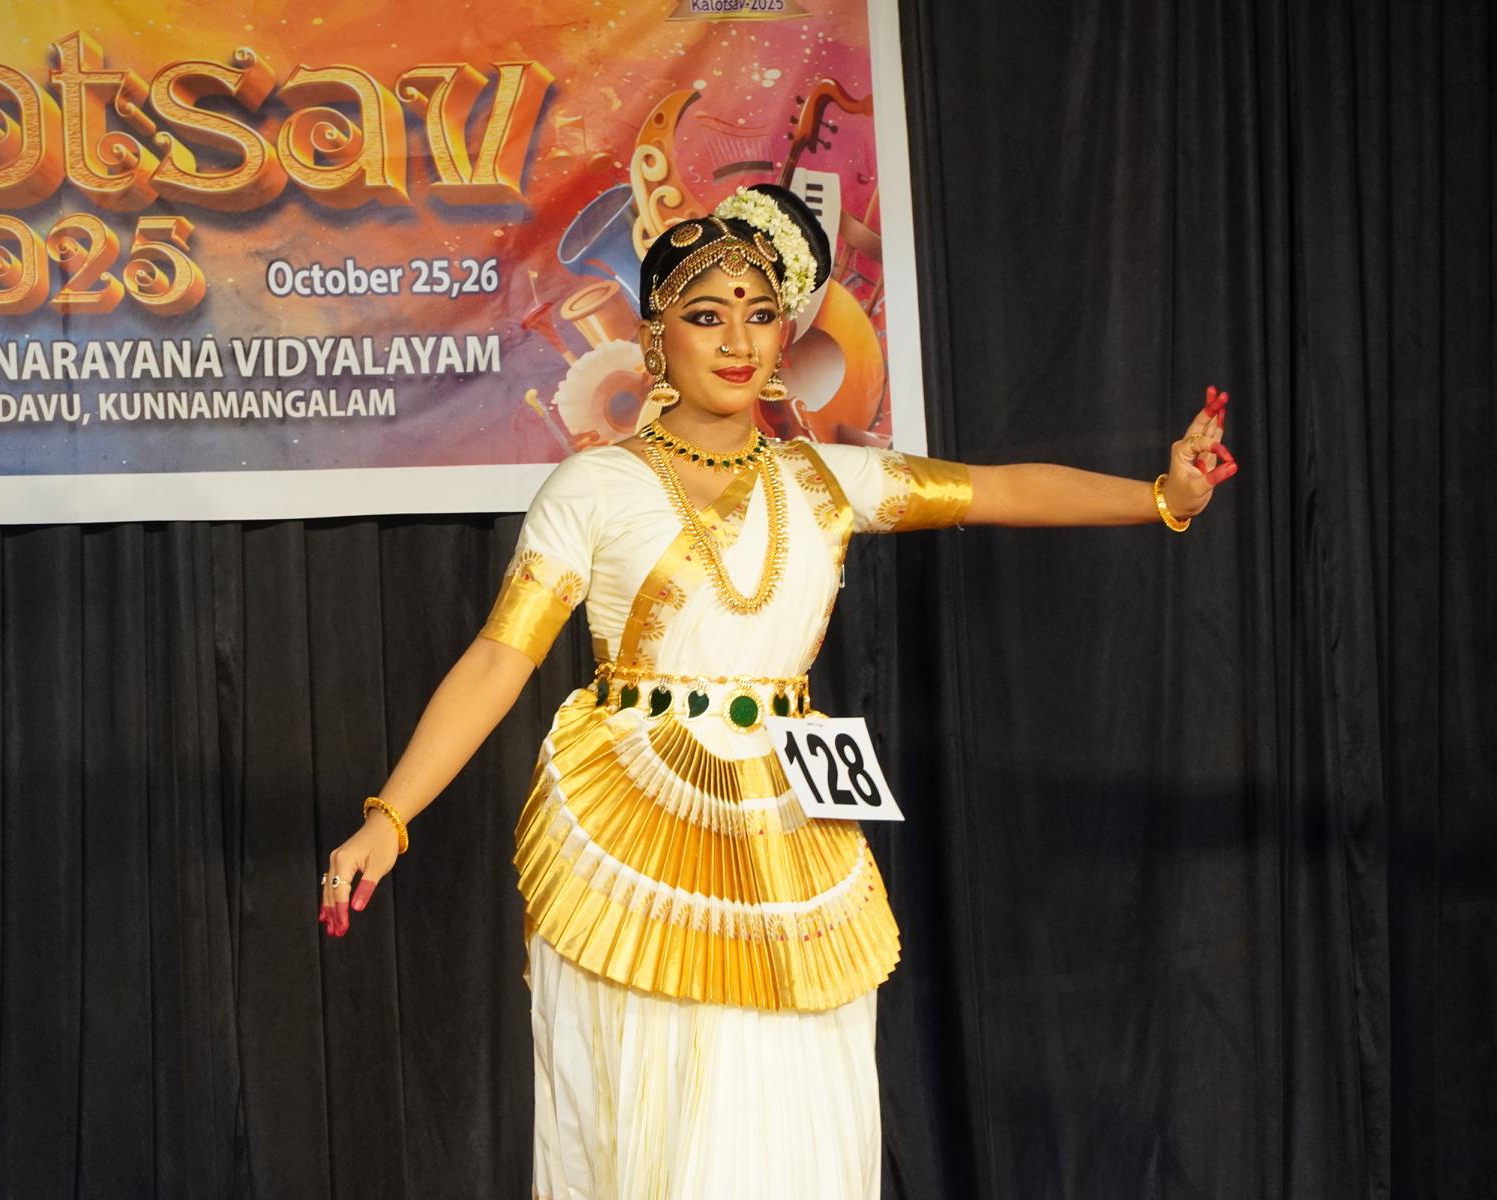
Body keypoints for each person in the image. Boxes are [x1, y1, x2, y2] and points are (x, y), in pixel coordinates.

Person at [319, 183, 1237, 1198]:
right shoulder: (594, 489)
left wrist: (1162, 497)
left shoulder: (824, 478)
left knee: (798, 1091)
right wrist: (390, 817)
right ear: (654, 337)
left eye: (759, 314)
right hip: (636, 828)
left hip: (790, 818)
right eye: (707, 315)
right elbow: (501, 657)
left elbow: (995, 490)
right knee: (654, 1090)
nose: (738, 340)